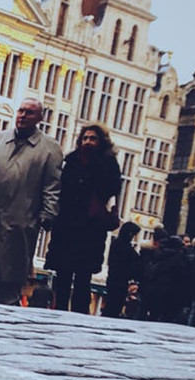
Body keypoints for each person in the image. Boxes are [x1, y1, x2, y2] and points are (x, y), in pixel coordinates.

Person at [0, 97, 64, 304]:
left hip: (20, 222)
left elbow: (52, 186)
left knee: (10, 279)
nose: (22, 115)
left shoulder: (50, 149)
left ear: (39, 118)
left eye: (29, 112)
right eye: (21, 111)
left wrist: (48, 215)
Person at [44, 124, 123, 314]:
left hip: (90, 228)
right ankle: (59, 311)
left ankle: (80, 313)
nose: (88, 142)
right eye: (85, 138)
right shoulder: (71, 161)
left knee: (83, 277)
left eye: (93, 138)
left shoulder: (108, 164)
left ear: (101, 142)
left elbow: (111, 190)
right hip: (67, 225)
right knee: (62, 274)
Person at [103, 221, 142, 318]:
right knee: (115, 304)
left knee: (112, 303)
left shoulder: (117, 243)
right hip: (119, 280)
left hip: (114, 279)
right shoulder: (124, 247)